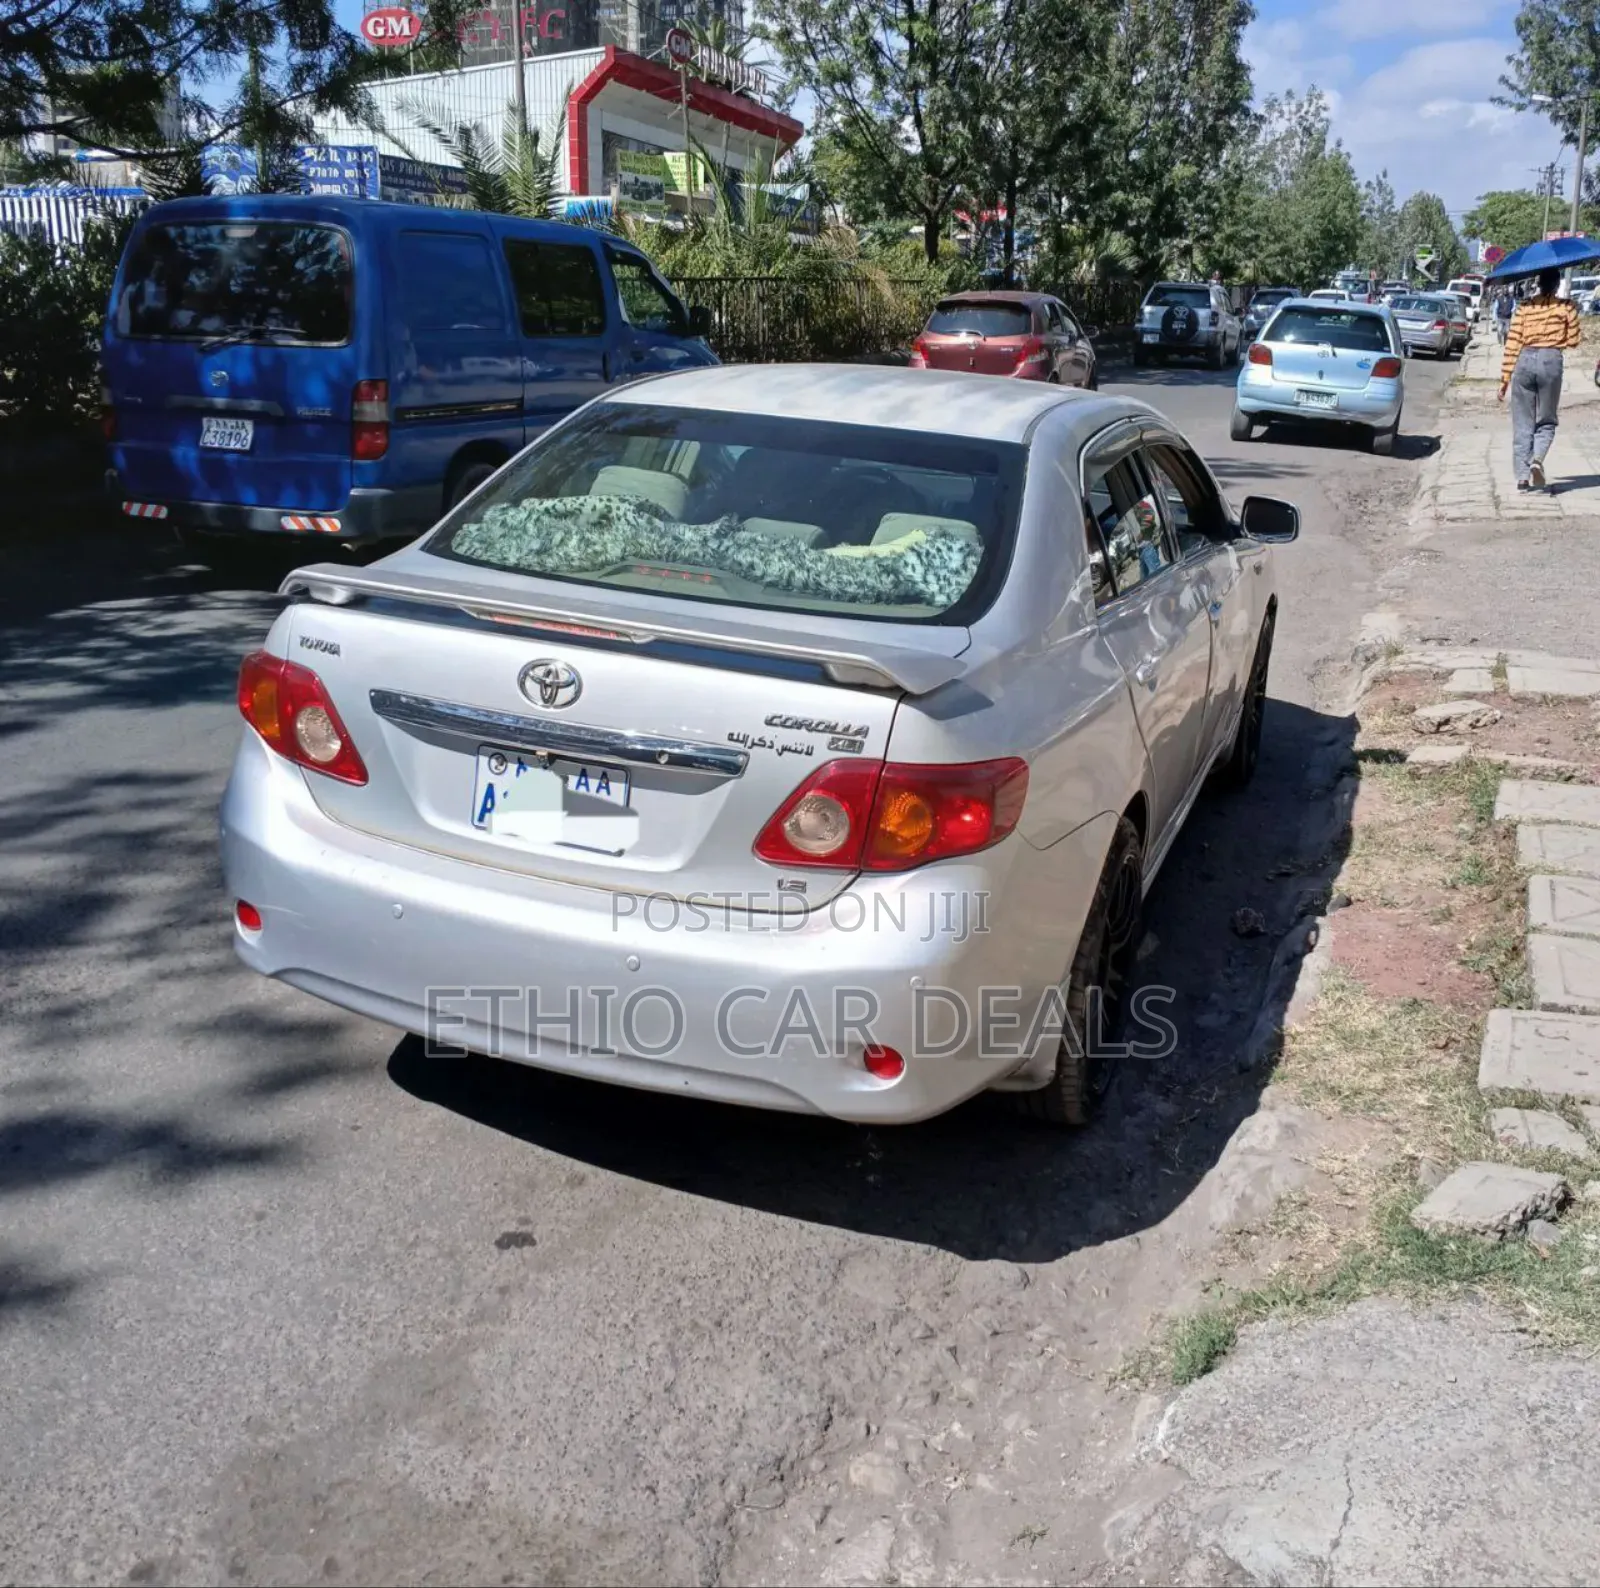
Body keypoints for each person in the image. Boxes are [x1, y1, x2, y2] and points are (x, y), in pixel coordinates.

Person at [1499, 266, 1582, 492]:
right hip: (1550, 360)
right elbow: (1574, 341)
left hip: (1524, 360)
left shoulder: (1524, 307)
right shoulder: (1567, 307)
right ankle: (1537, 459)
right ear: (1557, 285)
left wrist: (1505, 378)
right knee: (1546, 419)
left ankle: (1522, 478)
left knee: (1522, 422)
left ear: (1538, 284)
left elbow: (1513, 341)